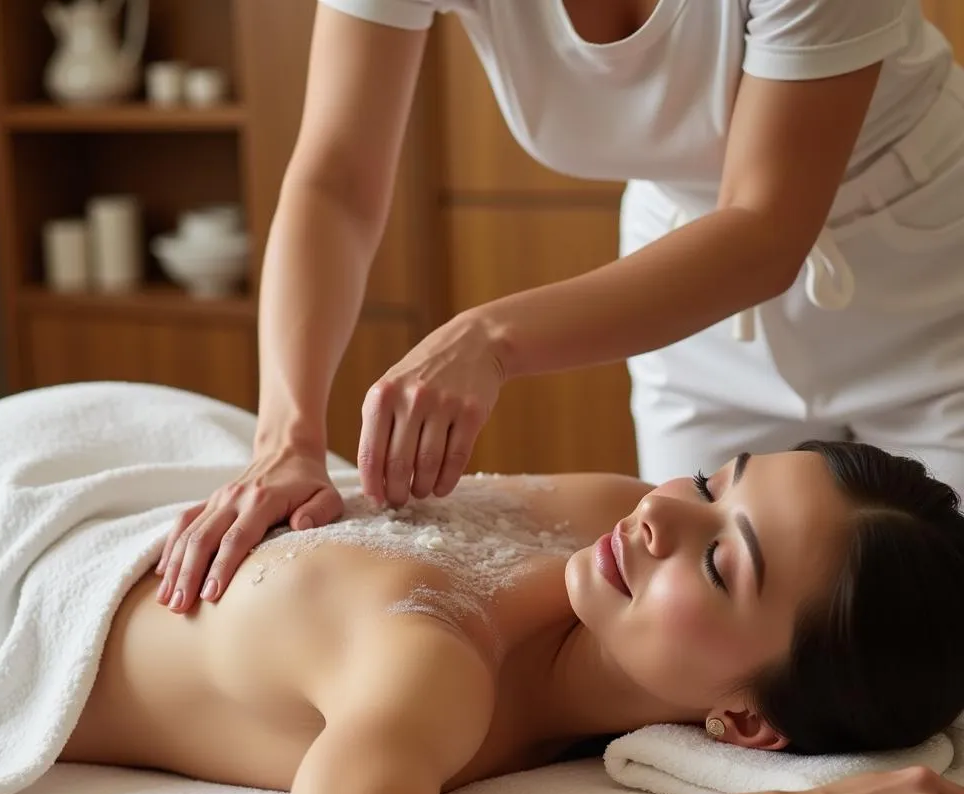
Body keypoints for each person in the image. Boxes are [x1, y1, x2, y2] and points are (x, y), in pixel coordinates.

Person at [154, 0, 964, 618]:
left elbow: (766, 228)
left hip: (926, 276)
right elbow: (334, 178)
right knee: (692, 634)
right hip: (687, 284)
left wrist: (491, 337)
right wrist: (285, 437)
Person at [58, 416, 964, 794]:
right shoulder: (607, 512)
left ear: (751, 723)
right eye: (710, 483)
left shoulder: (434, 665)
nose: (659, 515)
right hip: (81, 512)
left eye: (724, 565)